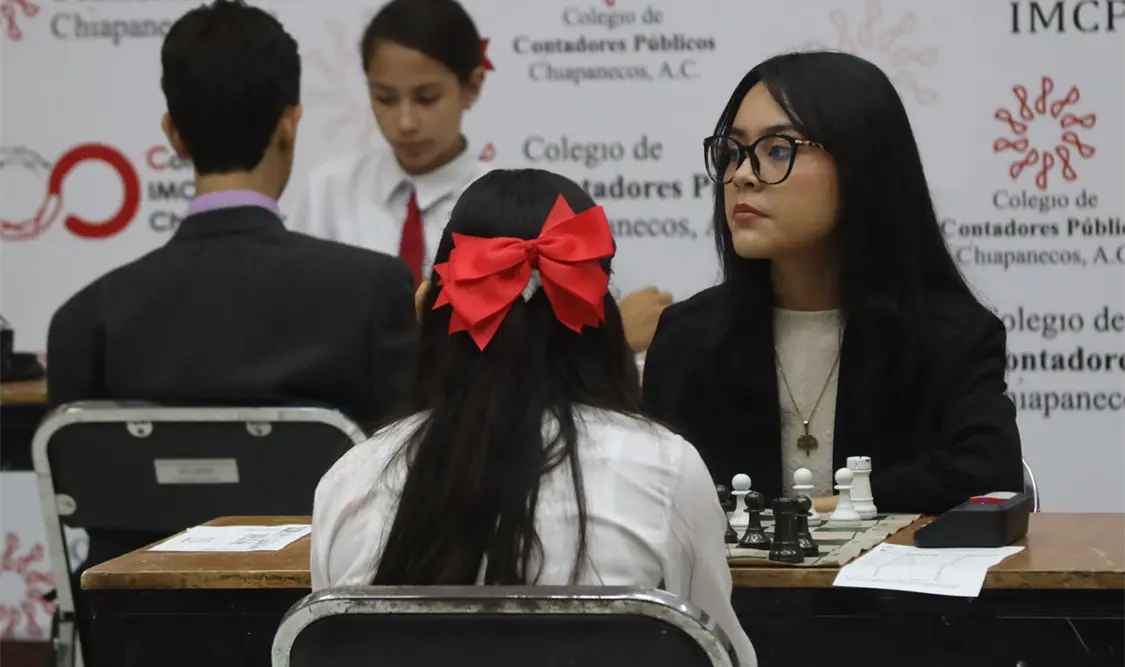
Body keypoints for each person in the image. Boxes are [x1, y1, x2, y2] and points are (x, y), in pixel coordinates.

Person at [311, 168, 756, 667]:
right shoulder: (668, 471)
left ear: (429, 307)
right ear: (601, 319)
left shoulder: (349, 481)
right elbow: (719, 654)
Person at [641, 51, 1023, 516]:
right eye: (733, 152)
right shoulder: (687, 338)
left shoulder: (951, 335)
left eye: (777, 151)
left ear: (862, 166)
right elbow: (651, 501)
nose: (741, 176)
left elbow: (989, 475)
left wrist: (830, 509)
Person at [47, 0, 417, 428]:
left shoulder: (84, 324)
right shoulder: (370, 295)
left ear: (174, 135)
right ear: (289, 125)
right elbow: (409, 461)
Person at [290, 0, 671, 353]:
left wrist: (611, 338)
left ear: (472, 86)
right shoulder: (328, 191)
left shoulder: (516, 207)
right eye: (385, 98)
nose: (405, 122)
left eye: (426, 98)